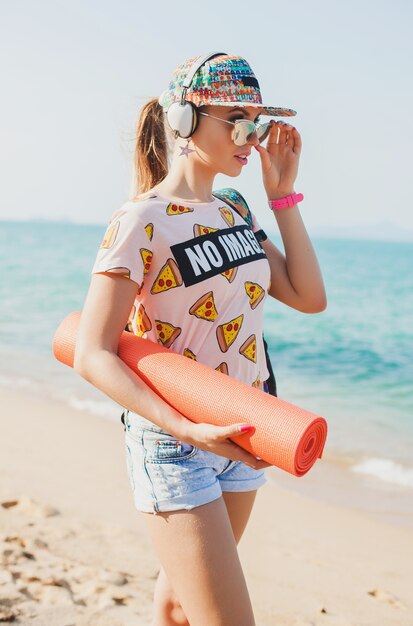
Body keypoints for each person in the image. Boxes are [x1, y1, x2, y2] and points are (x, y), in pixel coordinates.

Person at [74, 52, 326, 626]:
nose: (250, 136)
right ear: (185, 121)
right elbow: (93, 353)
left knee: (180, 606)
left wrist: (281, 194)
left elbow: (309, 298)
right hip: (176, 441)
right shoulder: (140, 219)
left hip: (245, 425)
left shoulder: (234, 207)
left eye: (256, 123)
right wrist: (187, 428)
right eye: (237, 120)